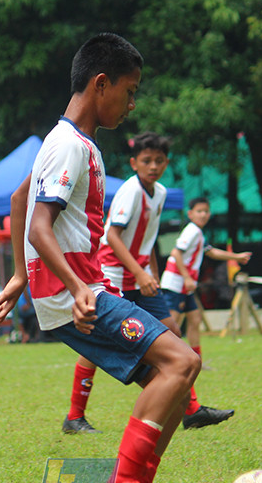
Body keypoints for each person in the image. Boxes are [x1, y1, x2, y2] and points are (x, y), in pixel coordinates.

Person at [0, 33, 200, 483]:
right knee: (184, 361)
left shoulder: (66, 143)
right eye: (130, 90)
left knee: (170, 386)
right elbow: (39, 225)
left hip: (72, 291)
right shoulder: (69, 145)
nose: (132, 103)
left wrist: (20, 275)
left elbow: (19, 200)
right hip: (79, 293)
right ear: (101, 84)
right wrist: (78, 288)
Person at [62, 131, 235, 433]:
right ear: (134, 163)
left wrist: (150, 271)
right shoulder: (130, 192)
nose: (153, 166)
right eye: (146, 161)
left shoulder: (161, 193)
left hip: (140, 276)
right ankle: (75, 417)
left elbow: (149, 239)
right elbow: (112, 237)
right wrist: (140, 273)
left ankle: (191, 410)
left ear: (167, 163)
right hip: (114, 275)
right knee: (95, 346)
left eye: (159, 161)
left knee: (173, 330)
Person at [159, 197, 252, 429]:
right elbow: (176, 253)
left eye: (206, 211)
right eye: (199, 211)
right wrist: (188, 277)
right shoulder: (190, 231)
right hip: (175, 283)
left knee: (196, 319)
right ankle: (169, 359)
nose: (203, 215)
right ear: (190, 214)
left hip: (184, 285)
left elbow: (211, 253)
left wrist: (236, 257)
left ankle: (196, 360)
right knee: (173, 327)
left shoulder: (199, 234)